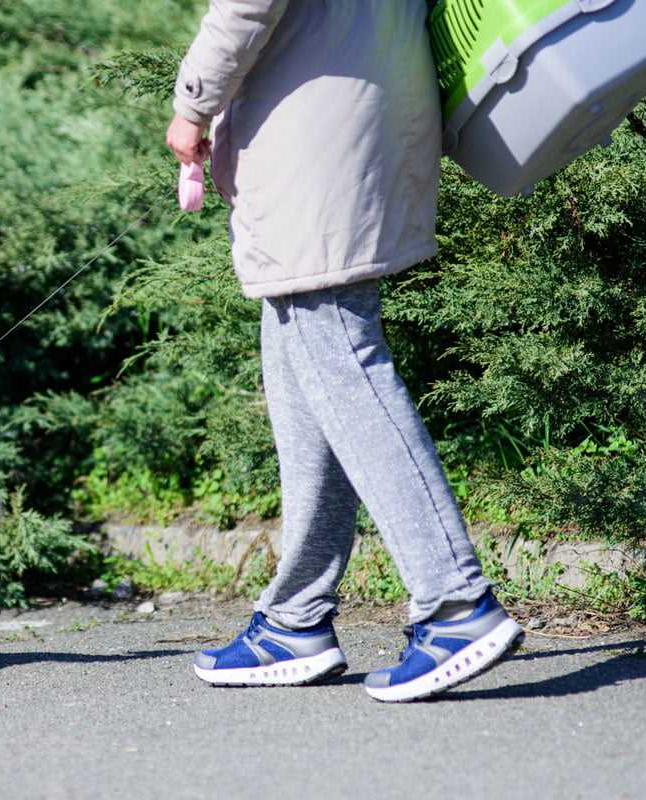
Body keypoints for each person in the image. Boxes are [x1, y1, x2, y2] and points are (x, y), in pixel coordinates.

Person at [166, 0, 523, 702]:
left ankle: (454, 605)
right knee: (302, 355)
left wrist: (193, 103)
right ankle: (296, 618)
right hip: (369, 110)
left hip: (313, 133)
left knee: (340, 357)